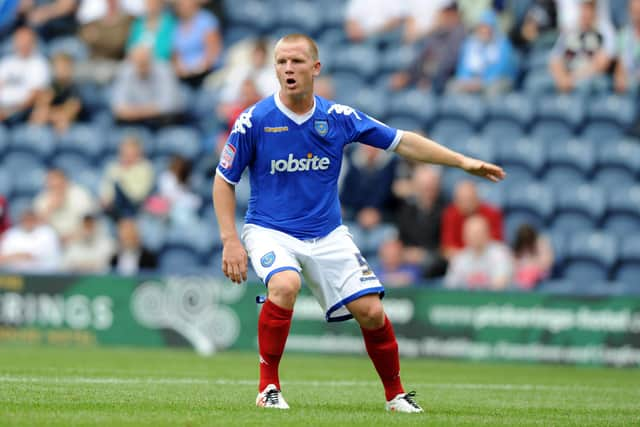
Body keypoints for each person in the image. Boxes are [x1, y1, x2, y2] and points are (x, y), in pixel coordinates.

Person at [212, 34, 505, 412]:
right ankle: (268, 388)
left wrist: (462, 162)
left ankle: (395, 395)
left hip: (327, 232)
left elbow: (403, 142)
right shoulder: (254, 120)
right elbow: (224, 180)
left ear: (315, 68)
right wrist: (229, 239)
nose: (288, 69)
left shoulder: (337, 118)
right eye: (282, 61)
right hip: (270, 228)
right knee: (285, 284)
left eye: (297, 61)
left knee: (371, 311)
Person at [390, 2, 466, 94]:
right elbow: (421, 56)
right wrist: (407, 75)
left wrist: (427, 77)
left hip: (445, 79)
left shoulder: (459, 33)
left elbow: (449, 62)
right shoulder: (437, 33)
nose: (441, 16)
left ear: (453, 14)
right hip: (426, 76)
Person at [548, 0, 615, 94]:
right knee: (536, 82)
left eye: (589, 8)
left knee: (584, 86)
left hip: (588, 77)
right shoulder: (571, 30)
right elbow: (555, 59)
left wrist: (572, 78)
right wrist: (561, 77)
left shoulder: (604, 30)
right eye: (583, 8)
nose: (586, 12)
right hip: (567, 75)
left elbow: (602, 63)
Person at [111, 45, 184, 127]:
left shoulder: (164, 69)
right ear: (131, 60)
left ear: (152, 59)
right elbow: (118, 108)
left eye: (145, 60)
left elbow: (168, 106)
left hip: (163, 124)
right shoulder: (125, 70)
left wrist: (134, 112)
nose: (142, 63)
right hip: (134, 124)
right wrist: (148, 111)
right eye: (138, 61)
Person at [395, 165, 448, 278]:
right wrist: (406, 253)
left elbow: (446, 247)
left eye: (431, 186)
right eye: (424, 187)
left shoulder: (446, 210)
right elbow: (401, 239)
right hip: (408, 259)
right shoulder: (407, 210)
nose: (427, 190)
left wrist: (423, 254)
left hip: (435, 262)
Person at [448, 9, 516, 96]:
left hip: (495, 81)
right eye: (482, 27)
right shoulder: (470, 44)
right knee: (452, 86)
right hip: (472, 81)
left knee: (493, 90)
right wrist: (468, 81)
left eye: (488, 28)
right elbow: (462, 67)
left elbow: (501, 69)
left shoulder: (503, 44)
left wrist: (483, 81)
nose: (485, 31)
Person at [444, 215, 514, 290]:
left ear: (488, 233)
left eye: (478, 232)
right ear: (464, 235)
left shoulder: (500, 253)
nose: (474, 237)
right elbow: (451, 286)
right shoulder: (460, 258)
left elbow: (500, 284)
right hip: (466, 300)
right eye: (471, 233)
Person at [441, 180, 504, 259]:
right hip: (460, 261)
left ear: (477, 198)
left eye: (470, 199)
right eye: (462, 200)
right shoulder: (450, 214)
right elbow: (448, 248)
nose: (467, 204)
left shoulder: (492, 213)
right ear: (455, 201)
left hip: (488, 259)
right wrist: (467, 258)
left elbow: (496, 244)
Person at [0, 27, 50, 125]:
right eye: (20, 40)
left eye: (26, 41)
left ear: (33, 43)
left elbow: (34, 96)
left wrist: (8, 113)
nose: (22, 44)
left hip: (22, 113)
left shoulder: (39, 64)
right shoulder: (6, 62)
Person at [33, 168, 96, 244]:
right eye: (52, 187)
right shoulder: (42, 199)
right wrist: (50, 209)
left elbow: (90, 226)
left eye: (59, 185)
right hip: (54, 242)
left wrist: (70, 238)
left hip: (80, 240)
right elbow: (36, 229)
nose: (56, 190)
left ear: (66, 182)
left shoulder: (80, 195)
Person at [100, 136, 155, 219]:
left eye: (130, 153)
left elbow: (138, 196)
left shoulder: (145, 168)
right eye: (124, 152)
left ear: (138, 153)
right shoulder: (113, 168)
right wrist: (106, 200)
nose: (126, 156)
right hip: (114, 211)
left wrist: (123, 179)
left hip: (136, 211)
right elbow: (105, 191)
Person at [172, 0, 222, 88]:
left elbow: (213, 51)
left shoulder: (206, 20)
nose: (183, 7)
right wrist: (181, 69)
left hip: (208, 74)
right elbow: (176, 55)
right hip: (185, 78)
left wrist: (198, 68)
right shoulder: (177, 25)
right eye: (180, 4)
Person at [29, 53, 83, 132]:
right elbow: (40, 108)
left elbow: (69, 113)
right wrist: (46, 112)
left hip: (73, 125)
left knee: (62, 122)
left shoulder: (75, 89)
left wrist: (50, 114)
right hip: (52, 120)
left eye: (64, 67)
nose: (61, 70)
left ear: (71, 68)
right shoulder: (51, 87)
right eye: (58, 67)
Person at [512, 223, 554, 289]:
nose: (526, 241)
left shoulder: (541, 242)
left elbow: (546, 264)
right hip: (519, 279)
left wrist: (530, 265)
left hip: (540, 278)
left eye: (528, 238)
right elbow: (513, 264)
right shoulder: (518, 246)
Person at [613, 0, 640, 95]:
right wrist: (619, 79)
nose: (636, 15)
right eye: (634, 11)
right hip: (629, 87)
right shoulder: (624, 34)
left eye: (638, 11)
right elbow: (620, 66)